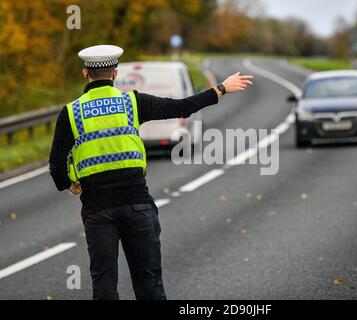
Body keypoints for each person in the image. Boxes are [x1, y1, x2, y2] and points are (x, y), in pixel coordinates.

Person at [49, 45, 253, 300]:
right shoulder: (133, 102)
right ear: (115, 74)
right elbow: (181, 107)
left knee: (104, 286)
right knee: (148, 283)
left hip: (97, 210)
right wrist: (220, 89)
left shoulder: (71, 112)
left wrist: (70, 184)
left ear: (85, 74)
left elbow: (56, 165)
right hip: (137, 205)